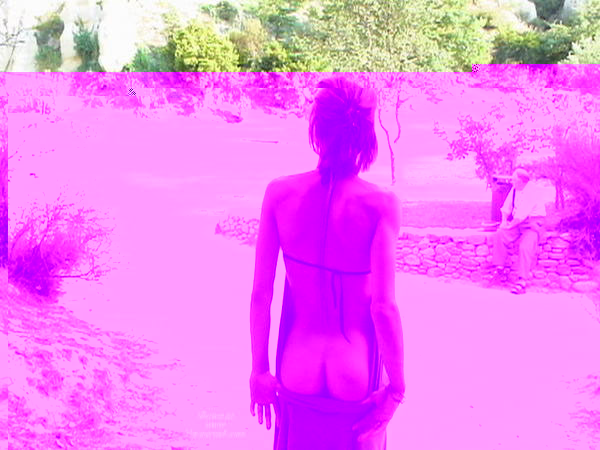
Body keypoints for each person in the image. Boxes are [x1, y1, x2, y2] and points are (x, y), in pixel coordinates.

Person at [249, 76, 406, 450]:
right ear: (367, 136)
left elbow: (260, 295)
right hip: (354, 369)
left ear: (317, 129)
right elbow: (383, 307)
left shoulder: (279, 194)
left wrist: (259, 370)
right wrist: (397, 390)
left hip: (296, 364)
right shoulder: (380, 205)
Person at [488, 168, 547, 294]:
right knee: (500, 234)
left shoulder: (532, 191)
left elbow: (521, 216)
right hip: (518, 223)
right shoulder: (515, 189)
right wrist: (504, 222)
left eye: (514, 180)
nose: (512, 182)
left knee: (525, 247)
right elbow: (506, 207)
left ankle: (522, 281)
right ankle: (499, 270)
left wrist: (509, 226)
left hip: (532, 224)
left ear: (521, 181)